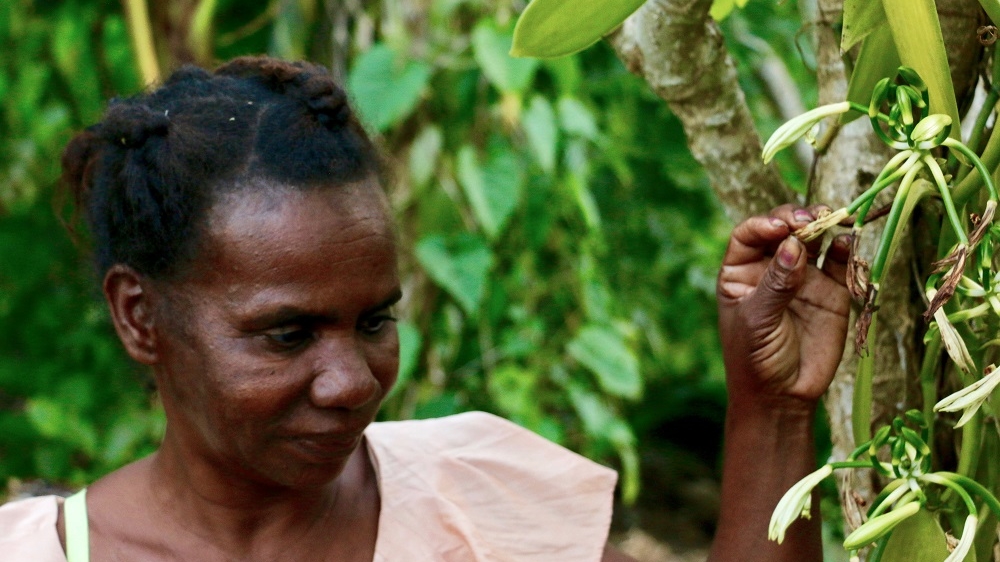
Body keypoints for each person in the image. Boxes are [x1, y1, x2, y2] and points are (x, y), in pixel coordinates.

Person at [0, 56, 850, 561]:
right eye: (287, 334)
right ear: (139, 317)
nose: (350, 383)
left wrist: (772, 408)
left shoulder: (477, 502)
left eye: (374, 321)